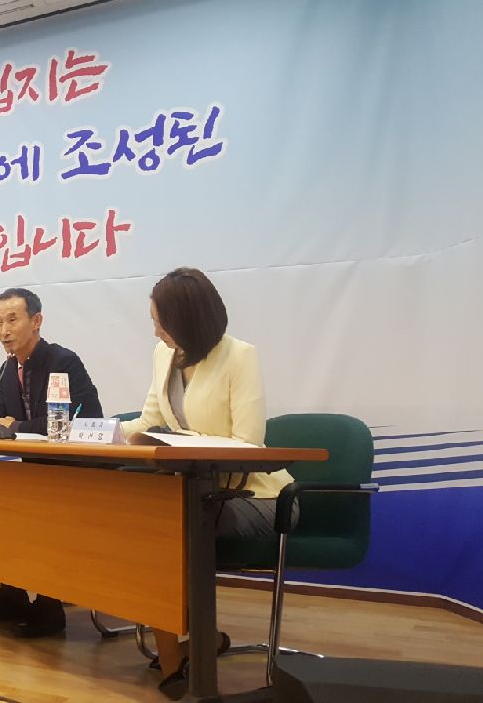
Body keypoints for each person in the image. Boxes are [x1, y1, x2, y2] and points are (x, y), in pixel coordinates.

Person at [118, 267, 293, 699]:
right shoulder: (164, 355)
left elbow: (249, 443)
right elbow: (149, 421)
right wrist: (103, 432)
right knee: (144, 519)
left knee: (164, 527)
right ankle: (189, 648)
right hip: (196, 494)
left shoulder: (240, 356)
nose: (155, 331)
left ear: (187, 319)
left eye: (161, 321)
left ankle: (183, 662)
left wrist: (183, 441)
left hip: (257, 494)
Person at [0, 287, 103, 637]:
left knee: (42, 509)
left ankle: (49, 604)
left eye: (12, 320)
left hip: (72, 471)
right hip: (32, 467)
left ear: (37, 321)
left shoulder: (62, 362)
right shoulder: (8, 367)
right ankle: (11, 594)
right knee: (0, 503)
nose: (4, 331)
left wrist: (16, 427)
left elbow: (73, 422)